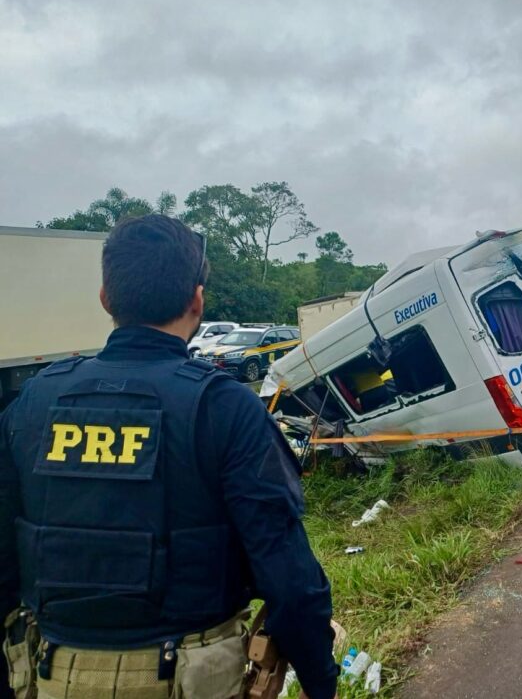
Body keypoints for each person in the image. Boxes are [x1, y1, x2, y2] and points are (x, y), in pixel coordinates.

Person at [0, 215, 337, 699]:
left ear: (105, 299)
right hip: (189, 676)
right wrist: (321, 682)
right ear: (197, 301)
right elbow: (289, 577)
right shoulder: (225, 407)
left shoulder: (31, 403)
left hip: (52, 673)